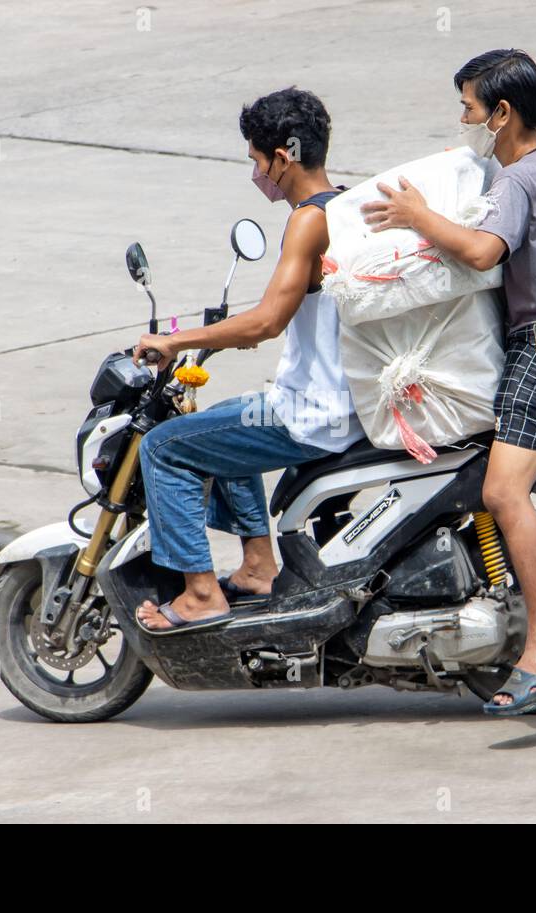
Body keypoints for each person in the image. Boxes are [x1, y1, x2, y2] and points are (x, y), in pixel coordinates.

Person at [361, 49, 536, 712]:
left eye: (469, 109)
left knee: (502, 490)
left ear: (503, 113)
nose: (464, 120)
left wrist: (416, 217)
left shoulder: (516, 183)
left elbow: (485, 250)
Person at [131, 87, 365, 634]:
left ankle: (200, 594)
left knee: (165, 446)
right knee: (226, 418)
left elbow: (267, 322)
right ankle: (258, 566)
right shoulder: (350, 203)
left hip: (314, 414)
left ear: (283, 157)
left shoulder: (308, 221)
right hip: (343, 401)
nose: (256, 173)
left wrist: (177, 340)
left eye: (257, 161)